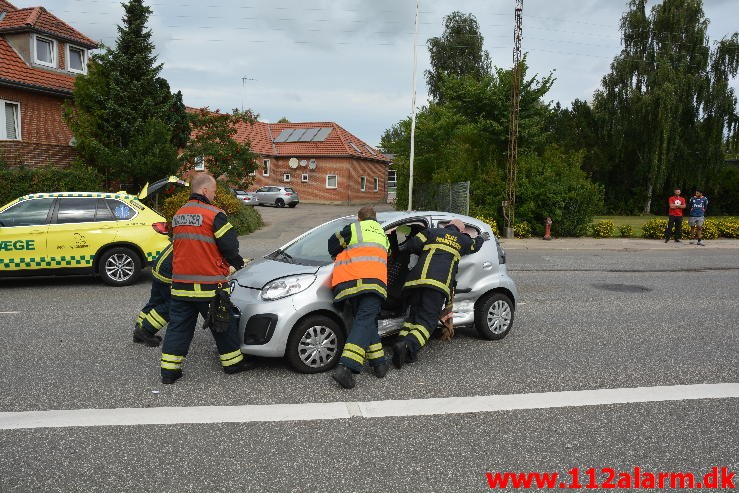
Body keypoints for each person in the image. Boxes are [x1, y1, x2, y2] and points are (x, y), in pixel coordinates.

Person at [159, 173, 252, 384]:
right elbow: (230, 247)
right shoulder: (214, 214)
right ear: (204, 191)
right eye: (214, 190)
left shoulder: (179, 214)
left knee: (178, 328)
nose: (215, 194)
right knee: (222, 324)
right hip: (209, 285)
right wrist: (237, 262)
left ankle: (169, 372)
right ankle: (233, 364)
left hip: (181, 285)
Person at [392, 218, 486, 369]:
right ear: (460, 230)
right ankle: (407, 345)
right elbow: (475, 245)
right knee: (427, 322)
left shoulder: (432, 231)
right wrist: (481, 238)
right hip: (436, 285)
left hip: (415, 282)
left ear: (448, 225)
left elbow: (413, 244)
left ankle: (402, 348)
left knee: (413, 317)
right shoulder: (462, 239)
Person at [328, 206, 390, 389]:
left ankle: (379, 364)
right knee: (364, 321)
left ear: (359, 218)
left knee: (365, 322)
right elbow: (389, 256)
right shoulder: (383, 235)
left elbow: (333, 243)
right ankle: (346, 367)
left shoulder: (354, 228)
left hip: (349, 282)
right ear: (375, 219)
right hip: (373, 284)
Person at [133, 242, 173, 347]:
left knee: (155, 301)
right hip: (168, 271)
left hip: (161, 266)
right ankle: (145, 331)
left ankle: (138, 331)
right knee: (172, 305)